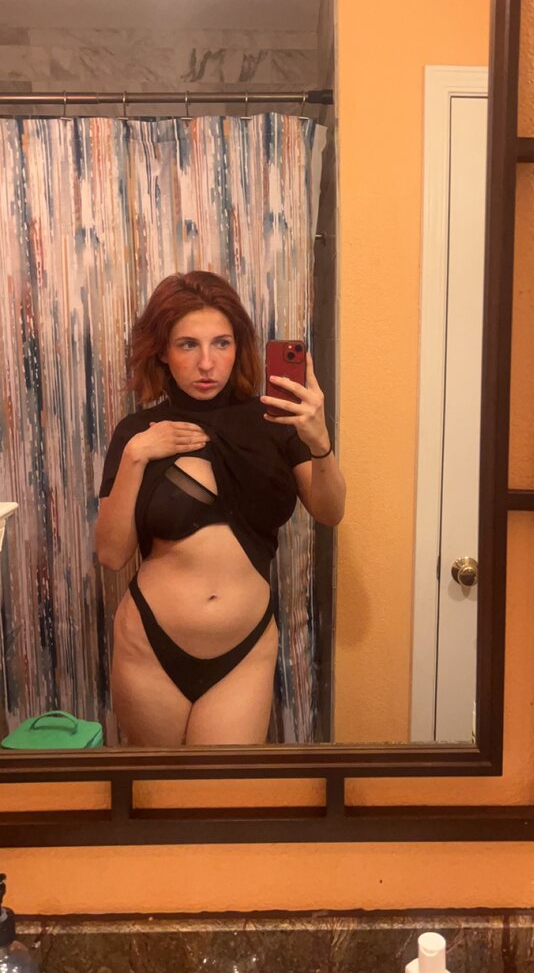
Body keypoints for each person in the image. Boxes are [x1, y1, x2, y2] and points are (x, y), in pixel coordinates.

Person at [95, 271, 346, 747]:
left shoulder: (277, 422)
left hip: (243, 651)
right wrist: (136, 456)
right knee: (156, 790)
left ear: (239, 347)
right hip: (150, 646)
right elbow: (111, 554)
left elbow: (330, 511)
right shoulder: (137, 432)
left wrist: (319, 442)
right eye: (188, 344)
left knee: (223, 789)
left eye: (221, 343)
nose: (206, 363)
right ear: (162, 352)